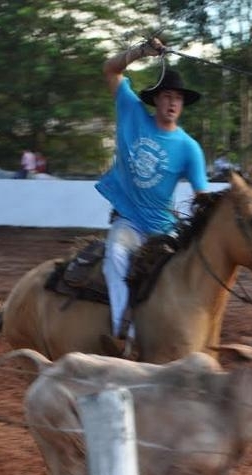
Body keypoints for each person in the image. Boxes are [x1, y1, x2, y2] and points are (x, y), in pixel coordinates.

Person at [95, 37, 209, 356]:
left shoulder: (189, 148)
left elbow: (202, 196)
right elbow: (110, 69)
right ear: (156, 100)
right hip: (129, 221)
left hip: (163, 228)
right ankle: (123, 329)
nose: (173, 103)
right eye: (167, 97)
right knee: (115, 256)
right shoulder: (132, 113)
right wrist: (140, 52)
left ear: (183, 105)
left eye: (178, 99)